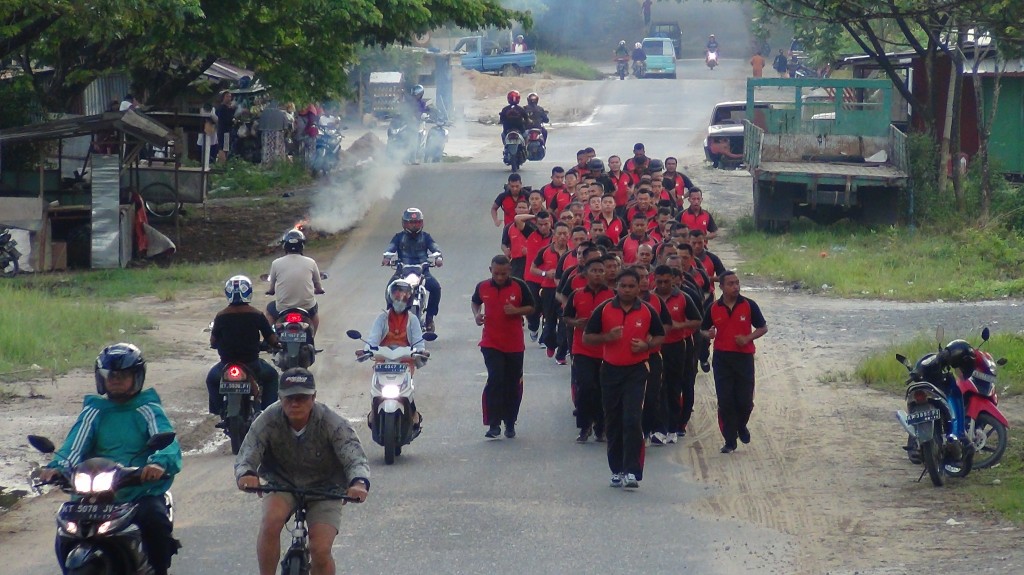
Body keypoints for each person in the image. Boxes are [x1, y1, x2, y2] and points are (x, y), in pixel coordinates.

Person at [39, 343, 182, 575]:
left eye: (123, 375)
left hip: (137, 489)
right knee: (66, 524)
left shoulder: (148, 408)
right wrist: (56, 467)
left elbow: (166, 441)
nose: (115, 380)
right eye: (111, 375)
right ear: (101, 378)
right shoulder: (94, 411)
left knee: (156, 520)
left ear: (137, 377)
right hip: (93, 491)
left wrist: (157, 463)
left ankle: (159, 570)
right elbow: (74, 445)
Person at [235, 368, 370, 575]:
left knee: (320, 550)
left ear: (314, 397)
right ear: (280, 398)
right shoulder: (268, 419)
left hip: (326, 488)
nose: (295, 403)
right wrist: (247, 473)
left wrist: (359, 482)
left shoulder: (331, 422)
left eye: (302, 398)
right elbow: (249, 451)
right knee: (270, 523)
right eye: (289, 398)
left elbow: (354, 456)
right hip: (282, 484)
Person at [583, 268, 665, 489]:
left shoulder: (647, 311)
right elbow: (587, 337)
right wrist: (607, 337)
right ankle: (616, 470)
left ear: (639, 287)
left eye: (631, 286)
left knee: (632, 419)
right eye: (623, 286)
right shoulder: (604, 309)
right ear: (616, 287)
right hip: (610, 371)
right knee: (613, 421)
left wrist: (647, 345)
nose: (627, 290)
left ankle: (632, 471)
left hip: (637, 371)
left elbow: (660, 335)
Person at [700, 271, 768, 453]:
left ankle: (741, 426)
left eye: (737, 283)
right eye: (730, 284)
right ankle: (729, 441)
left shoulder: (749, 305)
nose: (735, 287)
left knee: (745, 401)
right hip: (722, 358)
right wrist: (709, 334)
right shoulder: (714, 308)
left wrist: (748, 338)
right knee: (725, 401)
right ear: (721, 286)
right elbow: (702, 329)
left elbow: (762, 327)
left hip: (744, 358)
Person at [472, 255, 536, 439]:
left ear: (509, 270)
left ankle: (510, 422)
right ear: (490, 270)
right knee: (495, 379)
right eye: (496, 273)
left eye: (503, 273)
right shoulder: (483, 286)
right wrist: (477, 314)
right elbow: (475, 301)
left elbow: (532, 307)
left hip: (514, 344)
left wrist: (517, 311)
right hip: (491, 343)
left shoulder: (519, 286)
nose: (500, 277)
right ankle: (493, 424)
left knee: (512, 383)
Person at [208, 275, 280, 419]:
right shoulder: (257, 314)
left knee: (211, 379)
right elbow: (271, 339)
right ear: (248, 292)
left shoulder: (221, 316)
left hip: (226, 365)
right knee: (272, 376)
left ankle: (219, 410)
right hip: (252, 365)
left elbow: (213, 342)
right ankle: (268, 413)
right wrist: (275, 345)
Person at [360, 280, 428, 427]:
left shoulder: (413, 320)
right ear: (390, 297)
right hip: (383, 361)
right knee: (377, 388)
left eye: (404, 297)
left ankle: (413, 411)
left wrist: (421, 352)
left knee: (406, 388)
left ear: (409, 299)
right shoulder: (382, 318)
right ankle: (374, 409)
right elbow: (373, 339)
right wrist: (366, 350)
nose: (400, 300)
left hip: (405, 362)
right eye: (397, 296)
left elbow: (418, 342)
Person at [383, 208, 443, 332]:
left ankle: (429, 318)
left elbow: (435, 248)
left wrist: (438, 257)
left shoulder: (426, 237)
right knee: (389, 288)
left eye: (417, 222)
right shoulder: (399, 237)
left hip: (423, 272)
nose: (414, 225)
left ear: (421, 223)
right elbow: (390, 248)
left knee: (436, 288)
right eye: (411, 223)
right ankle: (391, 317)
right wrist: (387, 258)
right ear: (405, 223)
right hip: (402, 272)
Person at [266, 229, 325, 335]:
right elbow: (317, 284)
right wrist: (319, 290)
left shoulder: (276, 263)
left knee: (269, 310)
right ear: (302, 246)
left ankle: (271, 337)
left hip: (283, 308)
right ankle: (312, 337)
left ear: (285, 246)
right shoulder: (311, 262)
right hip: (306, 307)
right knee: (314, 312)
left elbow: (272, 288)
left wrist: (270, 291)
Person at [215, 90, 236, 162]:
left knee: (226, 148)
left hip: (228, 131)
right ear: (223, 98)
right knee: (222, 148)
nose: (229, 98)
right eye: (227, 96)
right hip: (224, 131)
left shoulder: (229, 108)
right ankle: (221, 163)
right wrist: (232, 121)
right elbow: (224, 120)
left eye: (230, 97)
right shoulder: (222, 108)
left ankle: (223, 163)